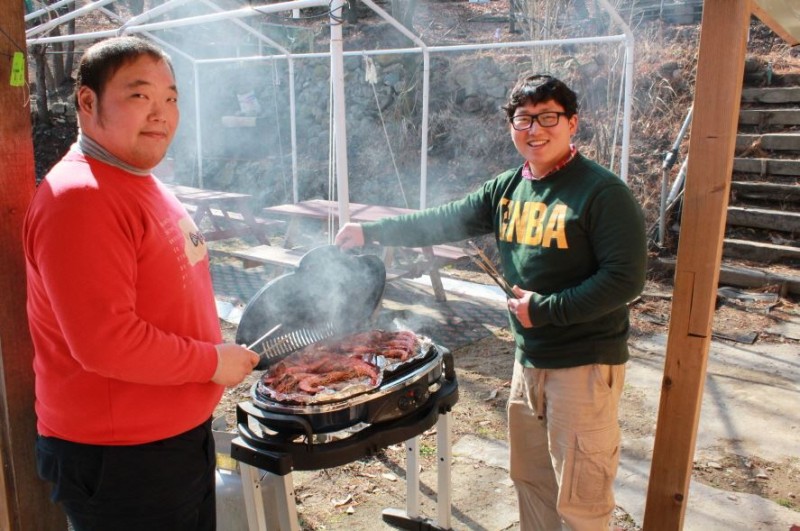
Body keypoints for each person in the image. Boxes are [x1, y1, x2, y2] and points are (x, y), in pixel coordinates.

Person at [336, 74, 647, 530]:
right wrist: (371, 232)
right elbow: (445, 220)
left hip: (584, 364)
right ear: (511, 126)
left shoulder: (602, 192)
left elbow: (625, 280)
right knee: (532, 480)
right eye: (524, 119)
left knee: (581, 498)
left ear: (572, 123)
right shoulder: (507, 188)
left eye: (548, 118)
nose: (535, 129)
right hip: (529, 361)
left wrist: (545, 310)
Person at [23, 36, 259, 531]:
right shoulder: (80, 198)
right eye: (140, 95)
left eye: (170, 98)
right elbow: (106, 343)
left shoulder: (137, 179)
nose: (161, 113)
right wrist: (213, 362)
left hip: (171, 440)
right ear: (88, 102)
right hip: (122, 461)